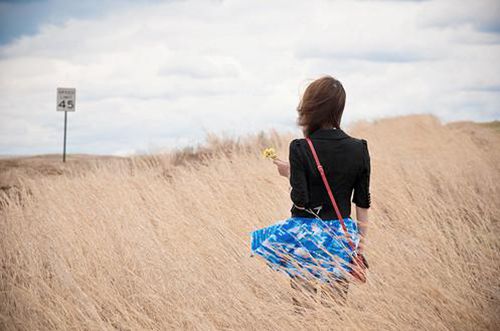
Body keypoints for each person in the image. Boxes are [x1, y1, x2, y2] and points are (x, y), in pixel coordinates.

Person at [272, 75, 371, 309]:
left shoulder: (300, 147)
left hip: (306, 238)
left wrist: (291, 174)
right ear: (339, 108)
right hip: (340, 236)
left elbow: (300, 201)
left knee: (303, 310)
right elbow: (362, 201)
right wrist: (359, 246)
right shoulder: (359, 148)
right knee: (335, 310)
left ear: (309, 107)